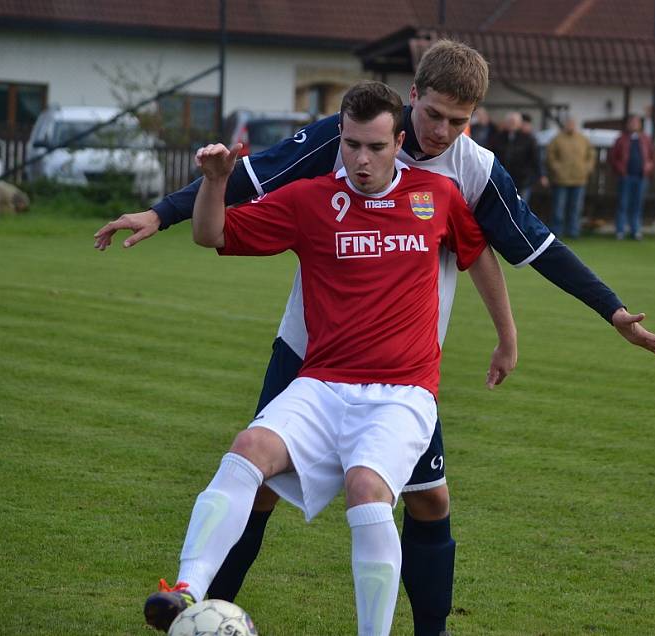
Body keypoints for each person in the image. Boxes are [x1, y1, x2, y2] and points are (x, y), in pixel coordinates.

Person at [95, 40, 655, 636]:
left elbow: (527, 245)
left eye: (460, 120)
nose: (444, 131)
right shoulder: (349, 137)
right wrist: (162, 212)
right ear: (412, 99)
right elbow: (248, 177)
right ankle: (199, 614)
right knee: (261, 484)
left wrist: (610, 311)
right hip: (309, 353)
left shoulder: (469, 170)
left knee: (427, 500)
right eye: (434, 116)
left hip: (404, 367)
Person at [143, 80, 516, 635]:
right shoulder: (310, 200)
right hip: (320, 384)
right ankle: (186, 592)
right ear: (340, 139)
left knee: (369, 488)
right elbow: (210, 233)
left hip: (402, 393)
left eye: (376, 147)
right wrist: (215, 183)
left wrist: (507, 337)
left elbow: (477, 254)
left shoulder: (434, 197)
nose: (362, 160)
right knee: (248, 451)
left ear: (399, 143)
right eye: (352, 145)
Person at [546, 117, 595, 239]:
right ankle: (557, 231)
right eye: (569, 124)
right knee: (559, 208)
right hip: (561, 179)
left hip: (579, 178)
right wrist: (557, 168)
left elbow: (591, 155)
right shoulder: (557, 139)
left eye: (573, 124)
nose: (571, 126)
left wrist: (586, 168)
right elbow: (550, 156)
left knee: (576, 207)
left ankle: (573, 231)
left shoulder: (583, 139)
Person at [609, 115, 655, 240]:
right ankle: (620, 231)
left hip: (641, 177)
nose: (634, 124)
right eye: (632, 122)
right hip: (625, 177)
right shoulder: (621, 139)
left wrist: (648, 168)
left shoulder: (646, 139)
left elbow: (652, 157)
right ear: (628, 124)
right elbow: (614, 158)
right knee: (623, 204)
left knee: (637, 205)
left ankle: (636, 230)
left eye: (637, 122)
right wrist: (620, 170)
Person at [492, 111, 544, 204]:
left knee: (520, 206)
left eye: (514, 122)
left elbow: (536, 158)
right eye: (510, 121)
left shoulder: (528, 138)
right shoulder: (498, 137)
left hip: (523, 180)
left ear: (520, 123)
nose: (512, 124)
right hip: (503, 179)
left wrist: (540, 175)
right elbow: (493, 155)